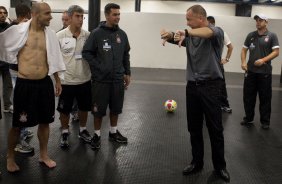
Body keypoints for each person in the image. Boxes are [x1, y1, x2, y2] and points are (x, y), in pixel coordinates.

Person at [160, 5, 230, 182]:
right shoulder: (189, 35)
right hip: (192, 88)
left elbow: (207, 33)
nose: (187, 22)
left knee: (215, 128)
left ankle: (220, 166)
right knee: (194, 128)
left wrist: (186, 32)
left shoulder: (216, 32)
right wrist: (167, 34)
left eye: (189, 19)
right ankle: (196, 162)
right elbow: (175, 37)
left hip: (211, 87)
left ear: (201, 18)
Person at [0, 2, 66, 172]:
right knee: (17, 125)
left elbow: (54, 57)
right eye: (47, 13)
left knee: (45, 122)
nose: (51, 16)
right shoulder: (18, 31)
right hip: (25, 84)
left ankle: (43, 155)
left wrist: (57, 80)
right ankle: (10, 156)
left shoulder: (50, 34)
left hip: (44, 83)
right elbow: (2, 42)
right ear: (35, 14)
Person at [82, 3, 131, 150]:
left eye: (119, 14)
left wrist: (127, 72)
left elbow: (125, 54)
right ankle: (97, 135)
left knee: (116, 108)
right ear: (107, 15)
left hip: (117, 80)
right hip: (101, 81)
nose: (118, 17)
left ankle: (113, 132)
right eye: (115, 14)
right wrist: (99, 67)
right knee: (98, 110)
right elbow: (87, 53)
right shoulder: (96, 34)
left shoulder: (122, 34)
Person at [56, 5, 92, 148]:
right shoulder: (59, 36)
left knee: (84, 108)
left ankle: (82, 130)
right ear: (69, 18)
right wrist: (57, 79)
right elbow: (54, 59)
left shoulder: (87, 36)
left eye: (82, 16)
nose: (80, 19)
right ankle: (65, 132)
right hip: (67, 81)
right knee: (64, 109)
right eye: (77, 16)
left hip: (84, 79)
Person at [240, 13, 279, 129]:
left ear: (266, 22)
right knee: (248, 96)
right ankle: (248, 118)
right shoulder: (250, 35)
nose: (258, 22)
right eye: (257, 20)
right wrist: (243, 62)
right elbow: (243, 50)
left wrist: (263, 60)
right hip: (250, 72)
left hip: (264, 73)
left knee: (265, 98)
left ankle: (265, 122)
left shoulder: (272, 36)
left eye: (261, 20)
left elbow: (276, 52)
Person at [9, 4, 34, 154]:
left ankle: (23, 132)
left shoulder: (15, 28)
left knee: (25, 103)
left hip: (20, 71)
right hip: (18, 72)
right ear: (27, 14)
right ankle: (19, 141)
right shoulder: (17, 30)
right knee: (22, 104)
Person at [207, 16, 233, 113]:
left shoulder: (221, 33)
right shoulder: (203, 33)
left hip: (217, 64)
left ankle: (224, 105)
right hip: (205, 65)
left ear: (212, 24)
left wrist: (226, 59)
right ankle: (208, 104)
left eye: (208, 24)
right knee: (206, 85)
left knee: (221, 85)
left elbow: (230, 47)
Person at [0, 6, 13, 113]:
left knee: (8, 85)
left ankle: (7, 105)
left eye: (4, 13)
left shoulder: (9, 27)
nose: (2, 14)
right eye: (0, 13)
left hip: (6, 62)